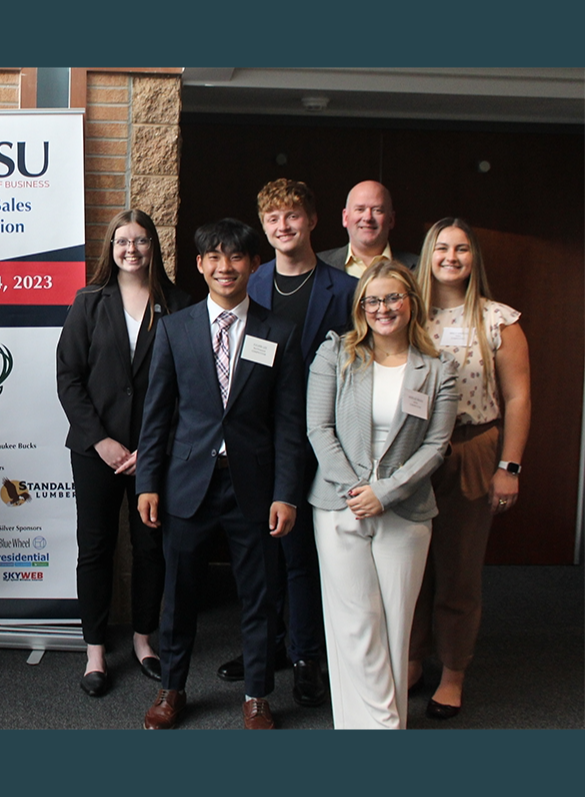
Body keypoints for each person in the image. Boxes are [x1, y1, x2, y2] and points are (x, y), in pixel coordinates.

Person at [137, 219, 306, 730]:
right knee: (179, 594)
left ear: (254, 265)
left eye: (235, 257)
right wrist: (148, 482)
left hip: (253, 486)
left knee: (258, 595)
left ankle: (257, 695)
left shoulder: (279, 332)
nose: (224, 266)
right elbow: (157, 415)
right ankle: (173, 689)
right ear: (200, 264)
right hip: (187, 485)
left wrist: (287, 493)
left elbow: (288, 423)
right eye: (213, 256)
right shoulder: (175, 327)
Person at [221, 179, 358, 707]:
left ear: (313, 220)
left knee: (302, 555)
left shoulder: (343, 290)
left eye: (293, 216)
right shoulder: (253, 282)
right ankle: (267, 647)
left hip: (317, 439)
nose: (284, 227)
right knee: (261, 554)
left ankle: (306, 657)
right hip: (258, 439)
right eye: (274, 219)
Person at [306, 261, 458, 729]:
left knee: (394, 625)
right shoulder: (336, 354)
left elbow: (436, 447)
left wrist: (384, 493)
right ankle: (379, 730)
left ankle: (385, 727)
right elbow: (318, 428)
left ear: (411, 301)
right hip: (339, 504)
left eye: (393, 298)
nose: (383, 308)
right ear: (361, 307)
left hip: (406, 511)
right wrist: (358, 490)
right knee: (355, 624)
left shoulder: (438, 370)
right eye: (373, 300)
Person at [55, 209, 190, 697]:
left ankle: (143, 639)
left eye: (140, 241)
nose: (130, 249)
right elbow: (68, 377)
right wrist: (102, 441)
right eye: (121, 241)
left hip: (155, 454)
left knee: (150, 548)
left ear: (155, 246)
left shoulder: (177, 304)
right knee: (95, 548)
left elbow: (186, 387)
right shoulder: (89, 300)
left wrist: (150, 447)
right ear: (110, 249)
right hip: (96, 452)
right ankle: (94, 650)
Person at [408, 219, 531, 720]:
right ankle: (412, 658)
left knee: (458, 567)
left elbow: (519, 397)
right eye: (442, 248)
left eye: (461, 249)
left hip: (471, 447)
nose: (451, 257)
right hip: (411, 454)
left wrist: (510, 467)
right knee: (409, 565)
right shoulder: (407, 310)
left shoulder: (499, 319)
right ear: (427, 254)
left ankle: (454, 672)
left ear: (474, 257)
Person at [318, 180, 418, 278]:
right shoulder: (318, 265)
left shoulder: (420, 267)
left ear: (391, 220)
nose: (368, 218)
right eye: (360, 209)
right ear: (345, 218)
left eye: (377, 210)